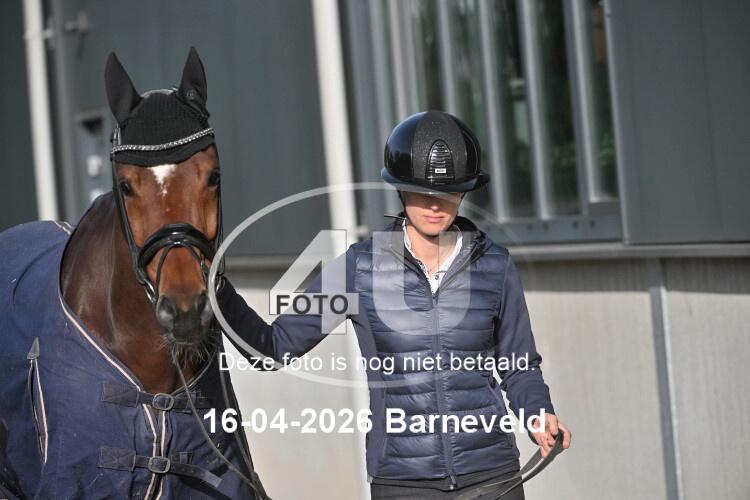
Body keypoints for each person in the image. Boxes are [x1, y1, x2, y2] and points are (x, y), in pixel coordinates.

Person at [217, 110, 571, 499]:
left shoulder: (496, 265)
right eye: (422, 192)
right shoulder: (358, 268)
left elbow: (519, 366)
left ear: (465, 191)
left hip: (493, 476)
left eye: (449, 192)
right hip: (403, 483)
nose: (435, 205)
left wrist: (538, 415)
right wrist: (215, 288)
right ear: (400, 190)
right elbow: (273, 347)